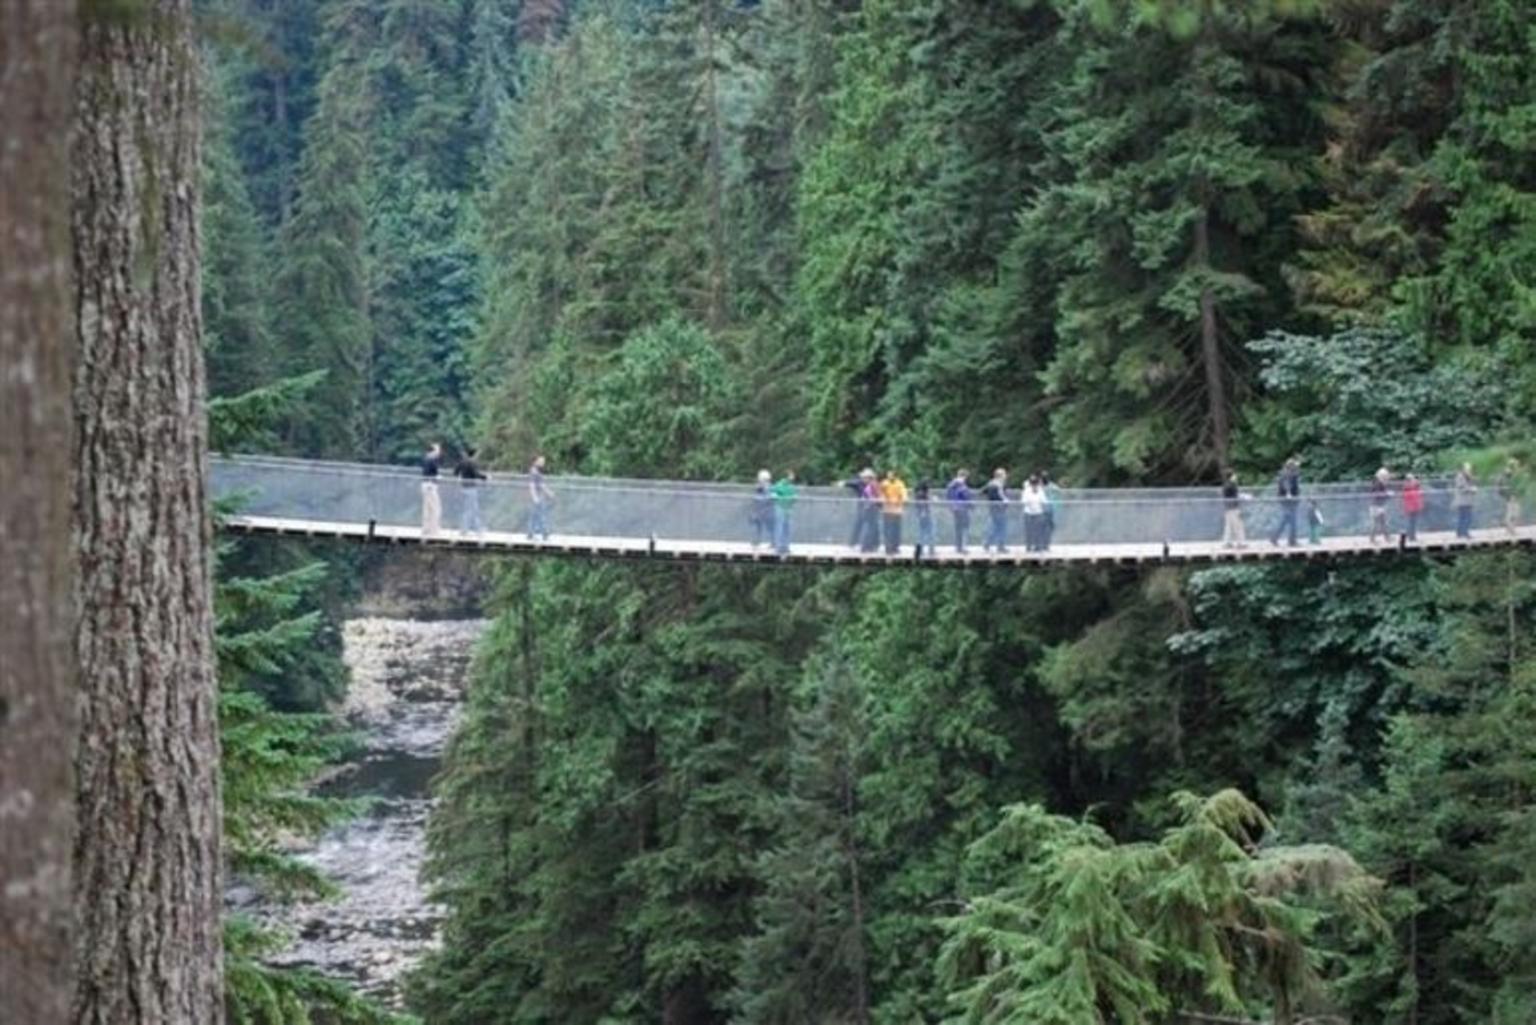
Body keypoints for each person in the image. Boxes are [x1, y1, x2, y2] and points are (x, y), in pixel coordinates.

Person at [455, 446, 487, 535]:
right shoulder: (472, 462)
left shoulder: (463, 462)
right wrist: (485, 477)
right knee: (471, 509)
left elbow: (455, 472)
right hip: (471, 488)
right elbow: (476, 474)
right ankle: (465, 530)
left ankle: (477, 529)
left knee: (471, 508)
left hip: (463, 487)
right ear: (474, 454)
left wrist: (461, 478)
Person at [1270, 457, 1301, 547]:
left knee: (1287, 519)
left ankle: (1279, 538)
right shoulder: (1286, 474)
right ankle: (1291, 540)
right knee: (1291, 519)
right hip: (1288, 500)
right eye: (1294, 466)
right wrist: (1288, 493)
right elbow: (1286, 484)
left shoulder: (1290, 473)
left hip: (1291, 500)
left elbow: (1295, 475)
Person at [880, 469, 908, 554]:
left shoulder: (899, 484)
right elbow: (881, 494)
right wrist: (883, 500)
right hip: (887, 510)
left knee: (896, 530)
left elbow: (904, 494)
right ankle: (888, 548)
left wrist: (904, 500)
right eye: (888, 475)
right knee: (888, 529)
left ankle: (895, 547)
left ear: (894, 476)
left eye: (891, 475)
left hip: (897, 511)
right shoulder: (884, 483)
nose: (889, 476)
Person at [982, 468, 1009, 552]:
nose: (1005, 476)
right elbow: (1001, 496)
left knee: (995, 527)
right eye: (1004, 475)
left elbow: (983, 492)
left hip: (993, 508)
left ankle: (987, 543)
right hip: (999, 509)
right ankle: (1000, 546)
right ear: (1000, 476)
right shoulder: (998, 485)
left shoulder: (990, 483)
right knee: (1001, 527)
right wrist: (1005, 501)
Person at [946, 469, 973, 554]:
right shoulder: (962, 486)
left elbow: (948, 496)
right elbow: (966, 497)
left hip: (955, 509)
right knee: (965, 528)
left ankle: (958, 547)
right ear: (964, 476)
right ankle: (963, 547)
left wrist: (951, 506)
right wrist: (972, 505)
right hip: (963, 509)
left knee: (958, 528)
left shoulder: (950, 485)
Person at [771, 470, 798, 554]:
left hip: (788, 509)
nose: (793, 477)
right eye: (791, 475)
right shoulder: (779, 485)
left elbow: (794, 497)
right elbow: (773, 495)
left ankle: (786, 546)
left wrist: (793, 498)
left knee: (788, 528)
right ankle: (778, 547)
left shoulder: (791, 487)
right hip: (780, 508)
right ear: (787, 476)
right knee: (779, 527)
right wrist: (781, 498)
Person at [527, 454, 552, 540]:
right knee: (540, 515)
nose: (543, 463)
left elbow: (541, 485)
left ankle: (531, 534)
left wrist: (549, 493)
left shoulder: (537, 472)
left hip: (539, 496)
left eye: (543, 461)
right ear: (536, 461)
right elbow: (532, 485)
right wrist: (535, 497)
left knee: (535, 516)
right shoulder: (534, 472)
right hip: (537, 497)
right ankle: (544, 534)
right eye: (541, 461)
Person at [421, 442, 443, 538]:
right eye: (437, 450)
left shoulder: (426, 459)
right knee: (435, 508)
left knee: (427, 508)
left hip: (425, 485)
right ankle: (434, 530)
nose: (439, 452)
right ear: (433, 451)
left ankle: (426, 529)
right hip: (430, 486)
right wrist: (437, 477)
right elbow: (432, 473)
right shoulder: (431, 460)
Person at [1021, 475, 1047, 552]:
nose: (1034, 485)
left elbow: (1044, 501)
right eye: (1032, 483)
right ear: (1030, 484)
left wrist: (1042, 504)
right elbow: (1023, 501)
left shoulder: (1041, 491)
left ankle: (1038, 546)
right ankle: (1028, 546)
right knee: (1028, 530)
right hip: (1028, 513)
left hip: (1038, 512)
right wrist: (1030, 503)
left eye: (1035, 483)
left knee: (1038, 530)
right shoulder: (1026, 491)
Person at [1220, 470, 1246, 549]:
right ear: (1231, 476)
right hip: (1233, 508)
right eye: (1234, 475)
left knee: (1229, 526)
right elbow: (1236, 496)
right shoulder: (1232, 485)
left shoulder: (1225, 485)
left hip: (1228, 508)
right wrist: (1244, 497)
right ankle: (1240, 543)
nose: (1236, 476)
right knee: (1238, 525)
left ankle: (1227, 542)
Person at [1498, 459, 1522, 536]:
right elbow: (1503, 487)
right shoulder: (1505, 476)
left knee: (1516, 514)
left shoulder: (1514, 475)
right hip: (1510, 498)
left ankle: (1511, 529)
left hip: (1516, 497)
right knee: (1510, 514)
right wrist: (1509, 495)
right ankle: (1510, 530)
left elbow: (1517, 485)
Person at [751, 469, 774, 548]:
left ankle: (773, 542)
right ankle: (756, 542)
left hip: (766, 510)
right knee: (758, 526)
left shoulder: (768, 487)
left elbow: (769, 498)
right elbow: (756, 497)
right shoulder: (759, 487)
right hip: (759, 510)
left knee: (770, 527)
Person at [1453, 462, 1477, 539]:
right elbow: (1461, 488)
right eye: (1467, 468)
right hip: (1462, 501)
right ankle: (1464, 533)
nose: (1469, 470)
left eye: (1469, 468)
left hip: (1468, 501)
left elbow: (1471, 484)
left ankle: (1461, 533)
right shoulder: (1460, 476)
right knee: (1465, 517)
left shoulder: (1468, 476)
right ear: (1463, 468)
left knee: (1464, 517)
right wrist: (1471, 489)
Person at [1368, 467, 1391, 544]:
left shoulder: (1379, 482)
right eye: (1386, 476)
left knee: (1383, 522)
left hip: (1379, 505)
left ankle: (1387, 537)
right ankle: (1372, 539)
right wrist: (1387, 494)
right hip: (1376, 506)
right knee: (1375, 523)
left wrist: (1386, 494)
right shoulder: (1377, 483)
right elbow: (1377, 494)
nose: (1387, 478)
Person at [914, 480, 935, 557]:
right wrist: (923, 513)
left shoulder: (919, 493)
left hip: (922, 515)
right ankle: (931, 550)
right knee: (930, 532)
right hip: (926, 515)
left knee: (922, 533)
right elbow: (922, 504)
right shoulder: (923, 494)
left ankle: (921, 550)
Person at [1401, 473, 1424, 542]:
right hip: (1413, 507)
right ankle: (1412, 536)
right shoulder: (1413, 489)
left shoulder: (1406, 488)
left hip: (1410, 507)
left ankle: (1411, 536)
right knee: (1412, 522)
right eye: (1412, 479)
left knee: (1410, 522)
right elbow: (1418, 487)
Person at [1041, 473, 1062, 551]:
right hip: (1042, 510)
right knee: (1043, 528)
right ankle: (1043, 545)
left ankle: (1046, 545)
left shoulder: (1051, 486)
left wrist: (1054, 497)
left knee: (1050, 527)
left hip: (1049, 510)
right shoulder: (1041, 486)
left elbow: (1058, 490)